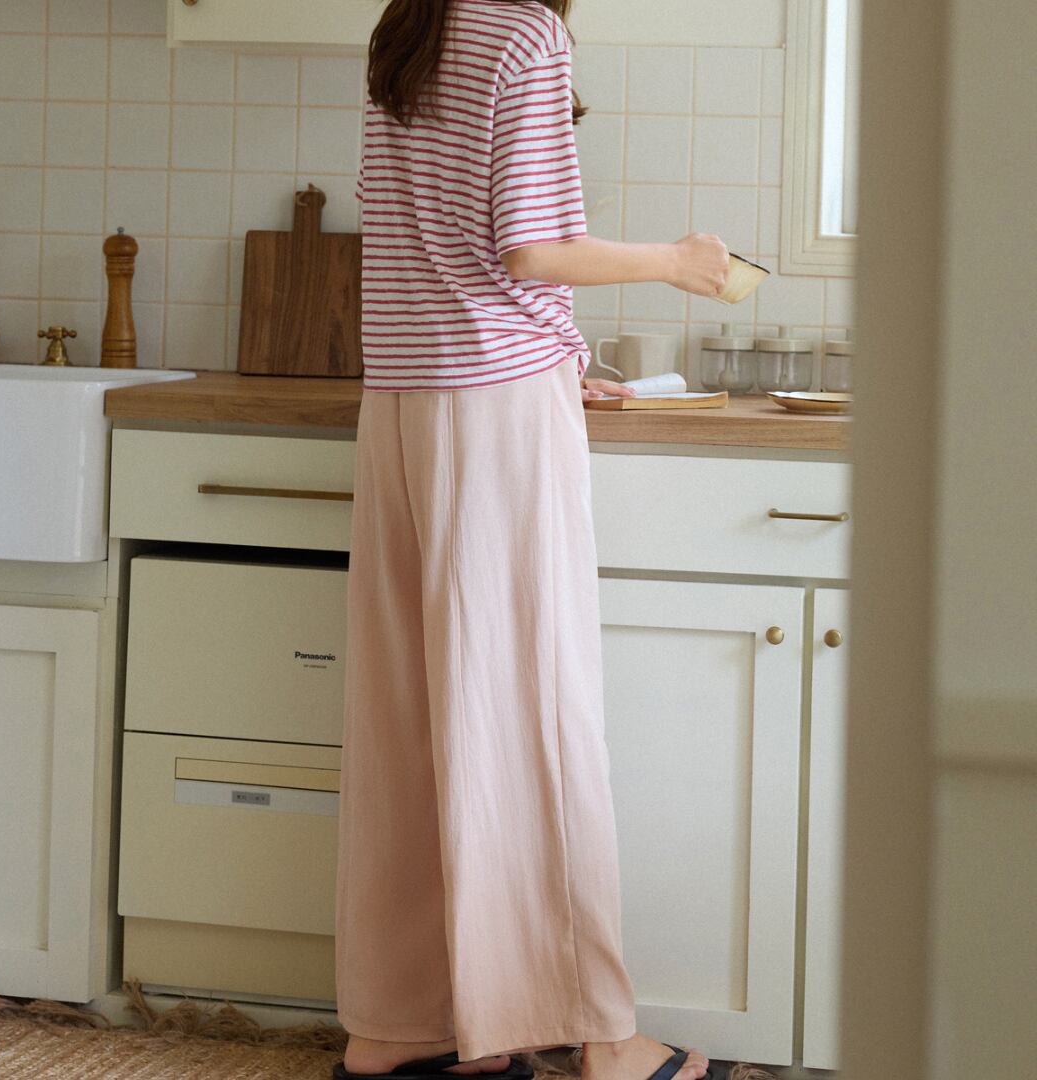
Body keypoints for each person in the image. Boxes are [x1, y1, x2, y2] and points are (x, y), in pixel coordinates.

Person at [332, 3, 730, 1080]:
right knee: (536, 715)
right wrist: (675, 260)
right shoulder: (524, 35)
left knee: (408, 720)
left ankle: (397, 1027)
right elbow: (529, 245)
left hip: (403, 398)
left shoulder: (408, 25)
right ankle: (602, 1037)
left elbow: (437, 244)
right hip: (495, 410)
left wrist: (557, 352)